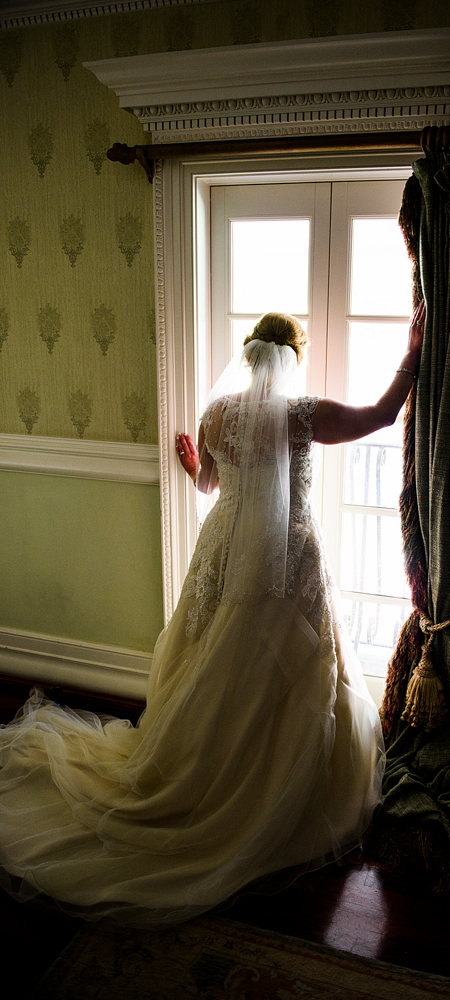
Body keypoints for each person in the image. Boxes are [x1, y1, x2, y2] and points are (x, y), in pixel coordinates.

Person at [0, 303, 425, 926]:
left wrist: (191, 461)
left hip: (225, 555)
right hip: (285, 559)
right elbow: (383, 415)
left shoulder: (216, 415)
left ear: (249, 354)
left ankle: (202, 769)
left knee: (217, 662)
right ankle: (273, 789)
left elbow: (209, 487)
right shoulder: (298, 416)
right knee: (295, 668)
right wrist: (412, 356)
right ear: (292, 361)